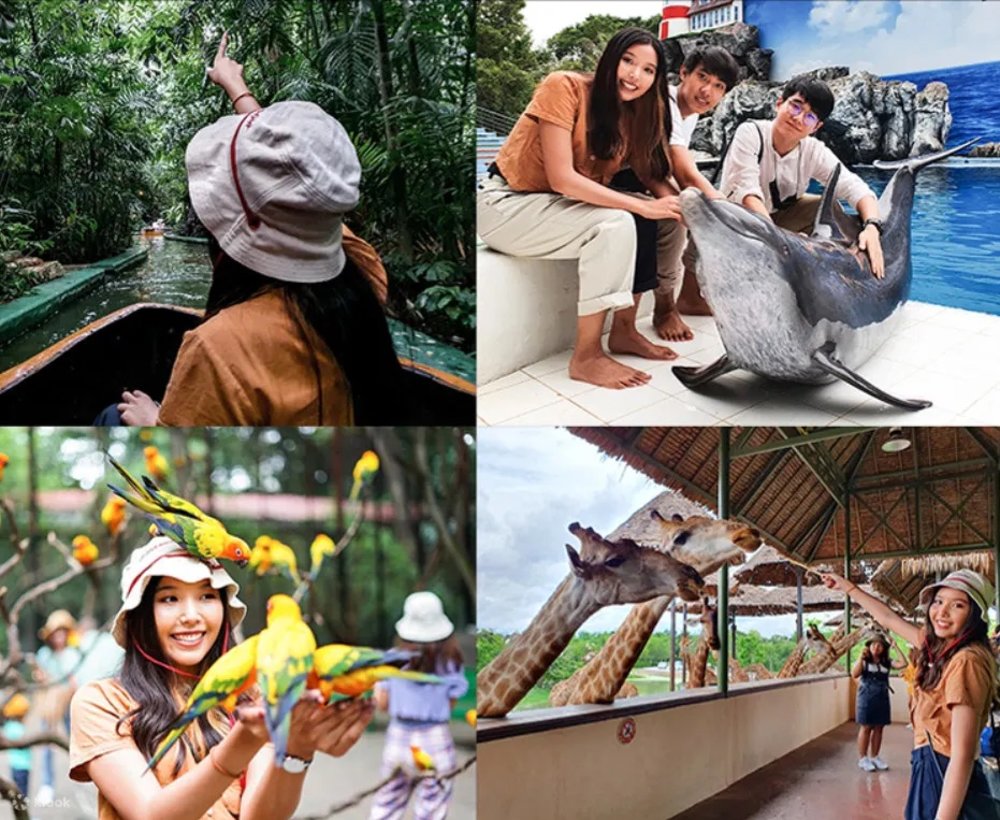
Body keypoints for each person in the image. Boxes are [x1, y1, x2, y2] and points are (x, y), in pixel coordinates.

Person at [115, 32, 408, 426]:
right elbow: (300, 185)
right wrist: (236, 86)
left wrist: (153, 421)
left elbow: (179, 468)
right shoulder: (364, 272)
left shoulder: (219, 348)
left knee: (110, 418)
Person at [69, 537, 374, 820]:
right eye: (169, 599)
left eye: (206, 596)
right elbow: (150, 814)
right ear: (141, 615)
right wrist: (238, 747)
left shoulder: (252, 696)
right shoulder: (101, 702)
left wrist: (297, 750)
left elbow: (261, 817)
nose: (191, 615)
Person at [478, 27, 686, 390]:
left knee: (659, 216)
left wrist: (686, 208)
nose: (635, 75)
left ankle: (624, 330)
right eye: (627, 61)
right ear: (610, 60)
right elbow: (562, 179)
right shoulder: (564, 87)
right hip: (506, 204)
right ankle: (586, 356)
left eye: (648, 70)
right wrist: (639, 206)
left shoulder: (633, 117)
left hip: (555, 208)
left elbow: (652, 177)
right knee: (618, 222)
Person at [822, 569, 999, 820]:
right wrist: (848, 588)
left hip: (944, 771)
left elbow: (962, 754)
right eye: (938, 601)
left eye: (958, 605)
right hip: (928, 766)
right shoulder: (939, 647)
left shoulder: (966, 661)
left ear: (974, 616)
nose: (942, 612)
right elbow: (888, 618)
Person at [717, 75, 885, 281]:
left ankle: (836, 272)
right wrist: (783, 243)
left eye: (810, 117)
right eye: (795, 107)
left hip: (775, 219)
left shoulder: (813, 150)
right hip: (737, 220)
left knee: (827, 207)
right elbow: (748, 193)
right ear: (779, 103)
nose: (798, 119)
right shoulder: (751, 133)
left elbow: (855, 188)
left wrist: (872, 227)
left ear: (816, 127)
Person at [653, 46, 739, 340]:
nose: (707, 91)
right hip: (619, 181)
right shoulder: (664, 101)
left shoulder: (688, 116)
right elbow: (684, 171)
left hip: (644, 178)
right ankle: (664, 306)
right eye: (703, 77)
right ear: (684, 73)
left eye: (719, 86)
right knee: (683, 213)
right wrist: (722, 205)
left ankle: (690, 296)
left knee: (700, 208)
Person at [369, 591, 469, 820]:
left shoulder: (392, 658)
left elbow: (382, 704)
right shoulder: (451, 662)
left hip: (399, 739)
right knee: (433, 810)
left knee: (386, 806)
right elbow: (450, 703)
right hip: (436, 740)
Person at [33, 608, 82, 805]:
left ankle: (86, 776)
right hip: (49, 704)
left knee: (75, 739)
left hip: (68, 702)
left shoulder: (73, 654)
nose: (59, 637)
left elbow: (74, 680)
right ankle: (47, 784)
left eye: (62, 633)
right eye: (56, 633)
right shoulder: (44, 654)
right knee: (47, 743)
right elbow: (41, 677)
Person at [852, 630, 906, 772]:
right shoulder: (864, 661)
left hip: (882, 697)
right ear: (869, 647)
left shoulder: (886, 662)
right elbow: (854, 674)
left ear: (884, 648)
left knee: (879, 728)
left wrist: (895, 646)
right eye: (874, 645)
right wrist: (860, 657)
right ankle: (863, 758)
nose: (876, 648)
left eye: (880, 645)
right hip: (866, 698)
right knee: (866, 727)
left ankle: (875, 756)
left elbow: (903, 663)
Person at [2, 693, 32, 801]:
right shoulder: (19, 729)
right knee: (23, 793)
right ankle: (24, 813)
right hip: (23, 767)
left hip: (13, 766)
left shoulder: (8, 727)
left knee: (17, 792)